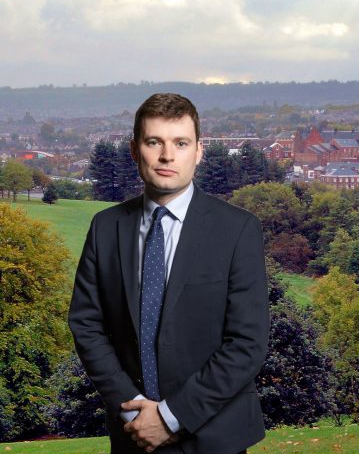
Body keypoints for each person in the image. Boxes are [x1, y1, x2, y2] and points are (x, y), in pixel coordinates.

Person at [69, 93, 269, 454]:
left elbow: (247, 343)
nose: (166, 156)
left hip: (215, 437)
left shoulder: (237, 230)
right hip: (133, 434)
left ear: (198, 151)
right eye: (154, 142)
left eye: (180, 143)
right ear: (135, 150)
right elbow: (86, 324)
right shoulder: (105, 228)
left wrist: (171, 416)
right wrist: (132, 410)